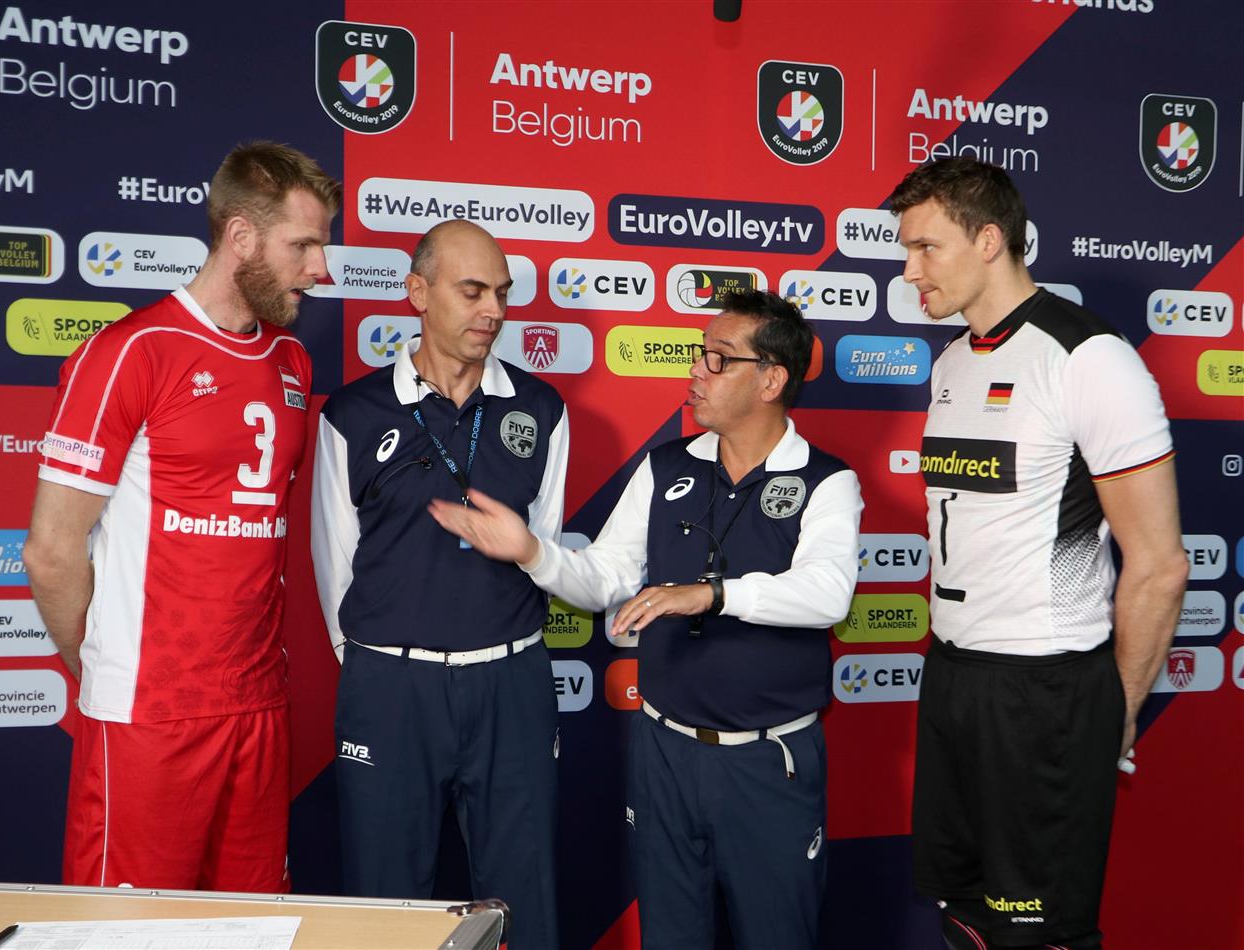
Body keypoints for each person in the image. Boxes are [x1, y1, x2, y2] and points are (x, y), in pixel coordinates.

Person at [429, 289, 863, 949]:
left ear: (771, 380)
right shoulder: (666, 467)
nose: (697, 370)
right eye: (700, 353)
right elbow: (604, 576)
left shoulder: (827, 481)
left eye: (719, 359)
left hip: (768, 762)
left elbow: (829, 593)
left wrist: (710, 594)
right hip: (663, 751)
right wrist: (532, 552)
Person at [888, 157, 1188, 950]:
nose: (909, 271)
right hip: (953, 674)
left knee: (1038, 933)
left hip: (1045, 692)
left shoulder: (1089, 357)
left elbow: (1159, 565)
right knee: (965, 914)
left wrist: (1115, 715)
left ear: (989, 241)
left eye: (925, 248)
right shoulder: (954, 361)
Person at [23, 141, 340, 890]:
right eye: (302, 246)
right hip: (149, 714)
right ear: (241, 237)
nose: (320, 269)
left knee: (249, 929)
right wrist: (101, 667)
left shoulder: (292, 363)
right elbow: (51, 550)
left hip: (258, 708)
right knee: (128, 936)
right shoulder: (131, 352)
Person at [310, 219, 567, 948]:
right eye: (473, 291)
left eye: (503, 294)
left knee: (524, 898)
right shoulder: (353, 414)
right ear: (418, 293)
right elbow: (337, 566)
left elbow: (543, 550)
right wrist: (383, 663)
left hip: (510, 685)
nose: (493, 310)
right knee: (383, 904)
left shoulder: (541, 410)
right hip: (391, 691)